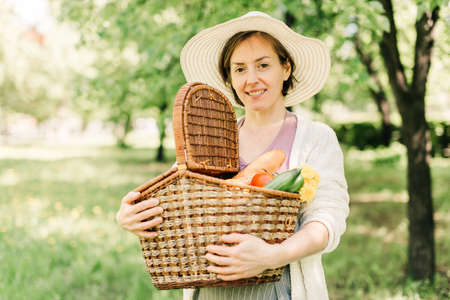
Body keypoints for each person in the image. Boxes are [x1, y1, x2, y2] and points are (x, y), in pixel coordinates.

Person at [116, 11, 349, 300]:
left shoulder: (316, 138)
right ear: (229, 77)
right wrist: (132, 216)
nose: (251, 79)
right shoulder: (207, 136)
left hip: (279, 288)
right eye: (239, 69)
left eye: (263, 65)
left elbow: (327, 222)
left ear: (285, 68)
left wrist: (272, 256)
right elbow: (178, 205)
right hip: (210, 290)